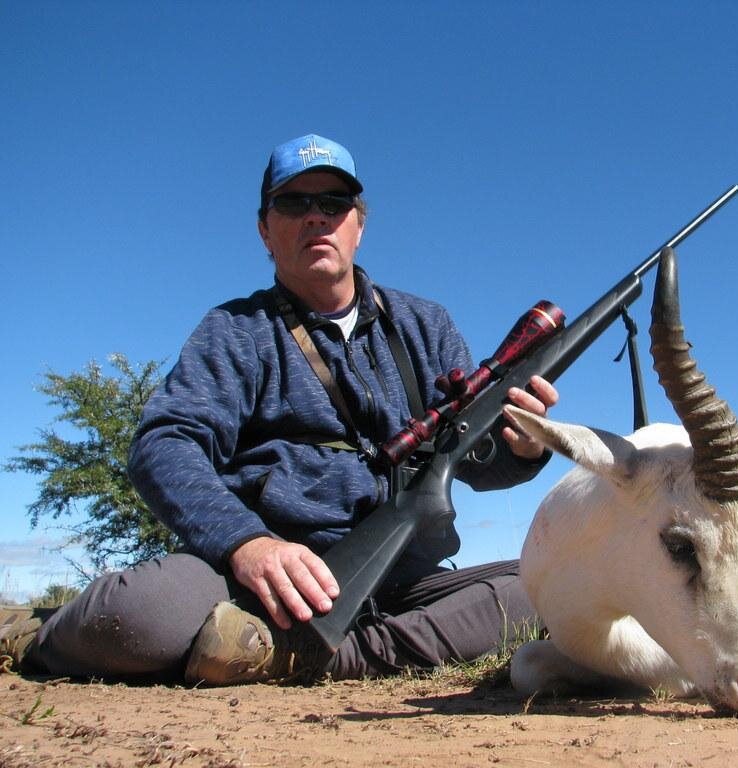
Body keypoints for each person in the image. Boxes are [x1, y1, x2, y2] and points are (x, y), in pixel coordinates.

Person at [4, 134, 558, 685]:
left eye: (334, 204)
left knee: (554, 590)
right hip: (258, 582)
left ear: (359, 226)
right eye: (293, 203)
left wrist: (525, 445)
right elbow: (164, 444)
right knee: (142, 617)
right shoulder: (234, 330)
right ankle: (32, 634)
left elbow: (479, 465)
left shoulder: (424, 323)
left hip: (403, 578)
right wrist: (248, 544)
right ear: (265, 230)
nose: (316, 217)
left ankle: (310, 655)